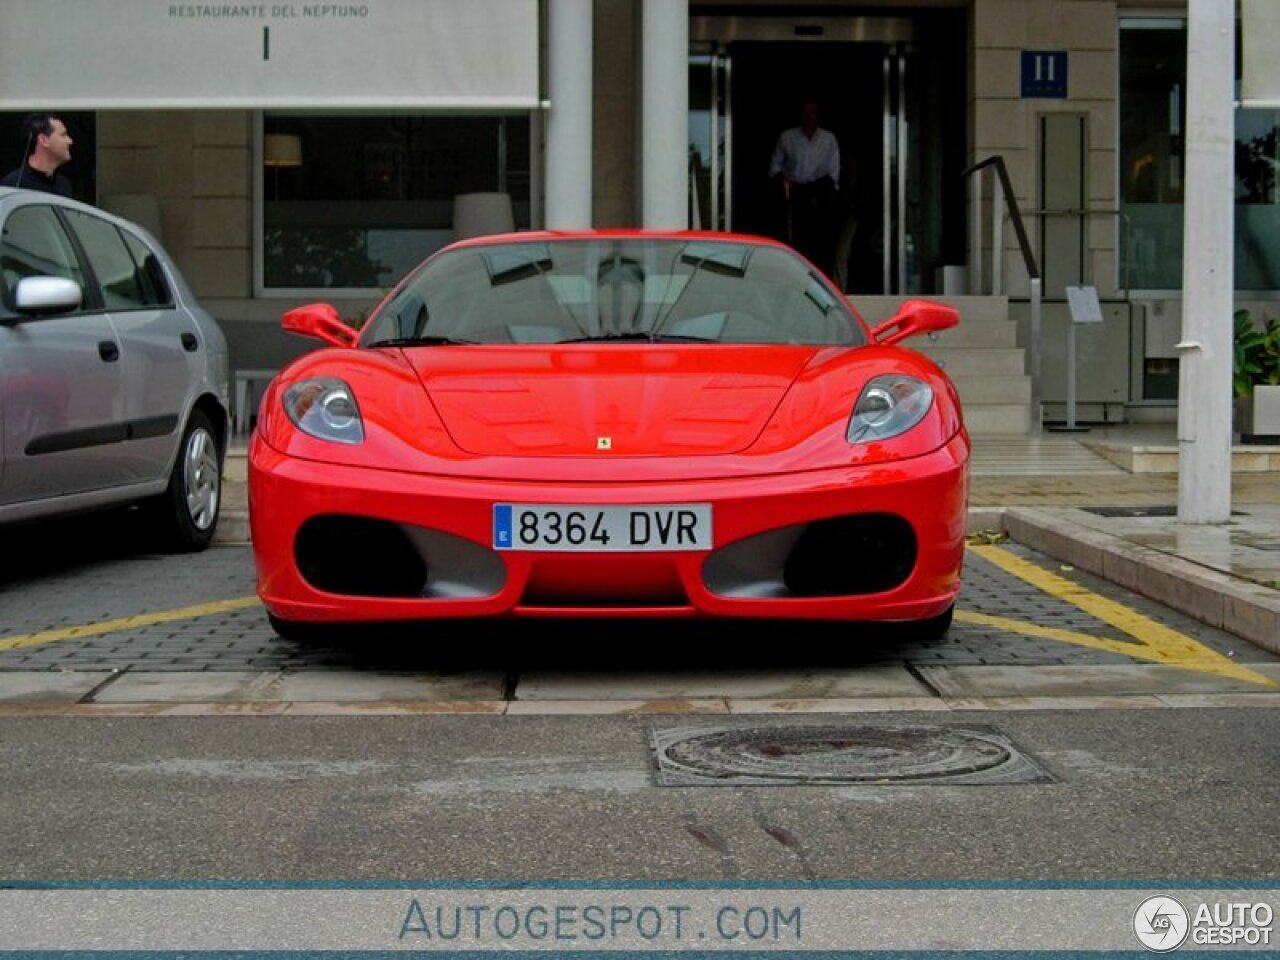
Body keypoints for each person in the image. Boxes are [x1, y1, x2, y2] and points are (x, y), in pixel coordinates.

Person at [769, 100, 841, 276]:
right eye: (806, 112)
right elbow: (774, 168)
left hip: (820, 196)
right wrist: (785, 181)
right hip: (795, 195)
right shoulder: (787, 137)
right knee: (796, 245)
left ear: (818, 115)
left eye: (813, 112)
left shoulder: (828, 139)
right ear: (800, 114)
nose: (809, 116)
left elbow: (834, 174)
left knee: (821, 247)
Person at [1, 113, 74, 198]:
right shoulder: (12, 186)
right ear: (43, 140)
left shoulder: (64, 186)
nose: (70, 141)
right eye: (63, 135)